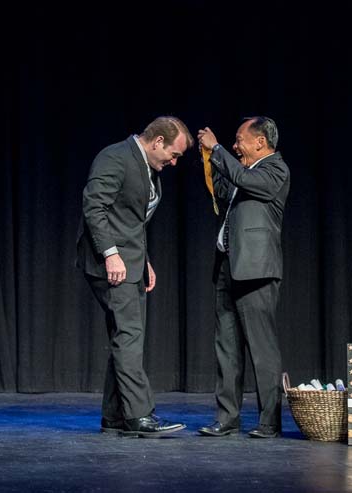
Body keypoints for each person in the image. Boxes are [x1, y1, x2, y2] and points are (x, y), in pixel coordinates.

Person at [76, 116, 193, 437]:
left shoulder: (148, 168)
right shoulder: (115, 157)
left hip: (130, 260)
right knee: (129, 335)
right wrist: (111, 253)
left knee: (124, 336)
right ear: (158, 141)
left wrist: (145, 261)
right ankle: (140, 415)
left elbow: (131, 221)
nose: (173, 162)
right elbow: (94, 207)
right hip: (109, 261)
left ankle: (115, 415)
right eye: (174, 154)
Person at [196, 117, 290, 438]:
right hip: (227, 267)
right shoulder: (243, 172)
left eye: (240, 141)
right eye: (233, 142)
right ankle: (227, 418)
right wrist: (210, 158)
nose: (236, 146)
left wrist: (218, 148)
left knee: (261, 349)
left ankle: (268, 421)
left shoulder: (275, 169)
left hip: (256, 271)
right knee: (227, 348)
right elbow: (224, 190)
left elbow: (244, 180)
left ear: (260, 142)